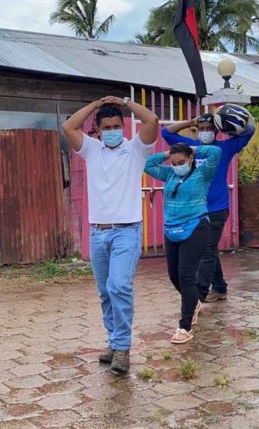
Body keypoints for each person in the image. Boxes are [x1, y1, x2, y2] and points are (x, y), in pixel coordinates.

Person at [62, 96, 158, 375]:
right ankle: (114, 343)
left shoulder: (136, 149)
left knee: (119, 286)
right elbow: (69, 127)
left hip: (127, 232)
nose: (113, 130)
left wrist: (126, 102)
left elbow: (151, 121)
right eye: (107, 127)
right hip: (98, 233)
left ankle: (123, 349)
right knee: (105, 292)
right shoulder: (92, 150)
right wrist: (94, 105)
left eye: (118, 125)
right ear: (98, 130)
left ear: (124, 127)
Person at [161, 112, 254, 303]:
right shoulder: (189, 147)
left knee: (207, 250)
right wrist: (190, 121)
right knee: (207, 249)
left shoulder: (225, 147)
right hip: (195, 211)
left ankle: (199, 295)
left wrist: (228, 122)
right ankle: (219, 287)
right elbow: (166, 132)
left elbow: (250, 130)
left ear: (216, 130)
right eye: (201, 128)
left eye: (209, 128)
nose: (205, 132)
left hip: (217, 208)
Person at [144, 143, 221, 344]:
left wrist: (192, 149)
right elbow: (148, 164)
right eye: (174, 162)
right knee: (173, 275)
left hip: (196, 227)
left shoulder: (203, 173)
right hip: (171, 229)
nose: (178, 165)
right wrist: (168, 153)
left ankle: (184, 327)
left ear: (190, 159)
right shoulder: (169, 175)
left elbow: (215, 152)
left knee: (186, 276)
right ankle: (193, 301)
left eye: (182, 161)